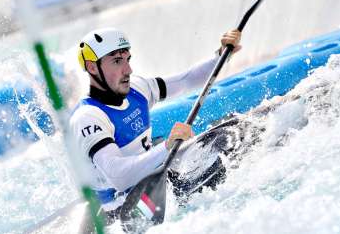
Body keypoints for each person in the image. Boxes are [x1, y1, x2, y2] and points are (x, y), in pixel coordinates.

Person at [69, 27, 242, 223]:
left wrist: (221, 54)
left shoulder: (137, 89)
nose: (128, 70)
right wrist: (166, 146)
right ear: (92, 68)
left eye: (127, 59)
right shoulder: (87, 118)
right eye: (117, 61)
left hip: (153, 183)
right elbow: (119, 177)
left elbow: (187, 80)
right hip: (119, 212)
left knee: (232, 134)